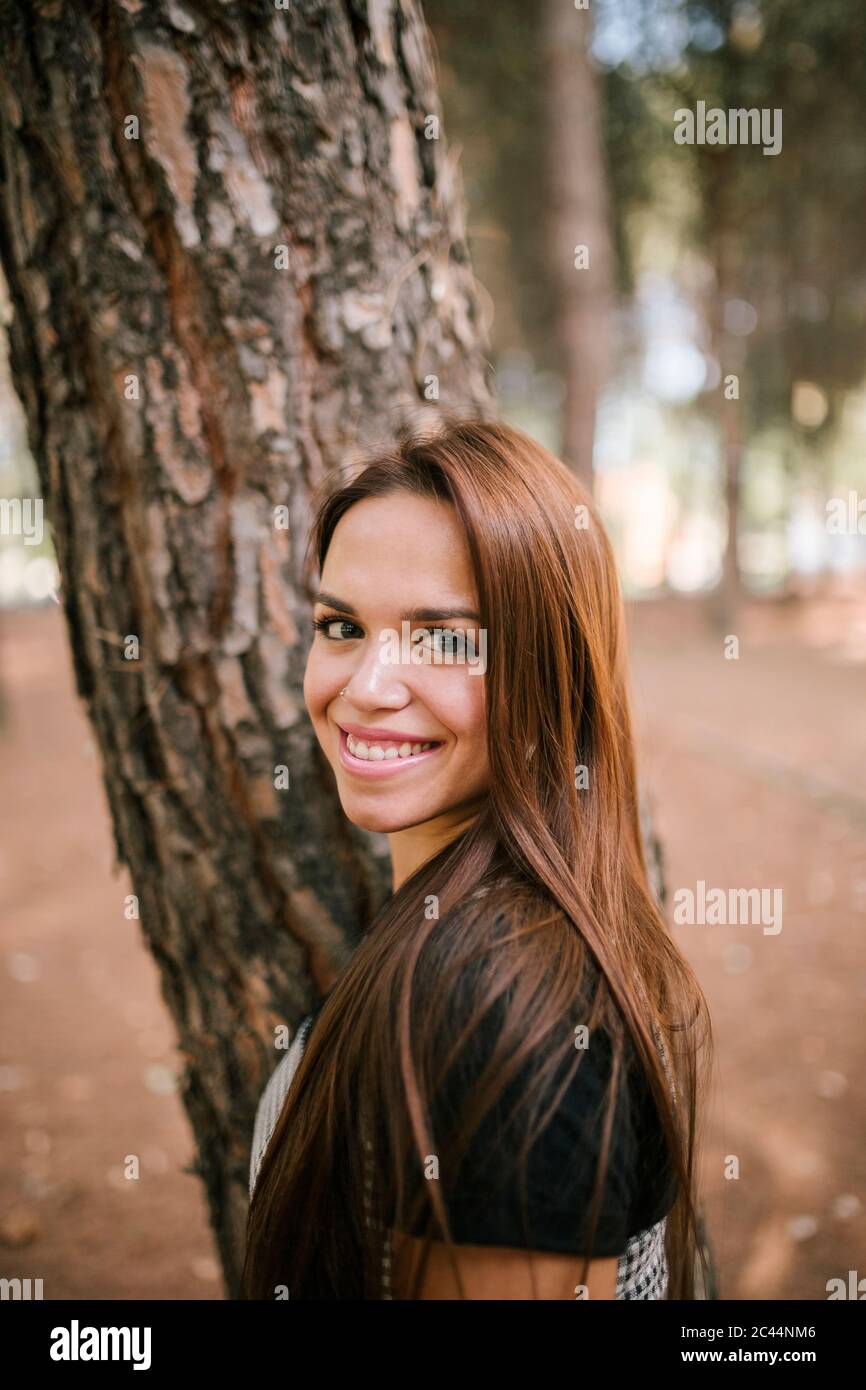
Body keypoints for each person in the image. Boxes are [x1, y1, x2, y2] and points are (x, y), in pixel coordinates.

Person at [242, 413, 713, 1300]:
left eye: (445, 639)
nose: (366, 688)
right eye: (341, 626)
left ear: (551, 670)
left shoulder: (501, 1006)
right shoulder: (473, 937)